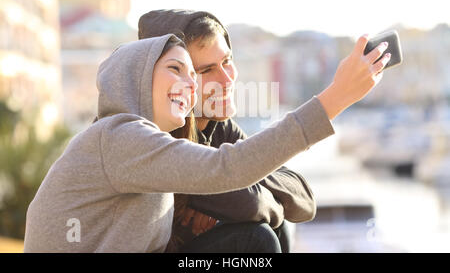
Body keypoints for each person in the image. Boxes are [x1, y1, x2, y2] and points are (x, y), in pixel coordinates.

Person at [24, 28, 390, 252]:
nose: (189, 84)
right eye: (174, 69)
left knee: (259, 238)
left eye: (192, 76)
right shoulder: (117, 135)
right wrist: (337, 97)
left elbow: (290, 196)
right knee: (256, 242)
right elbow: (227, 168)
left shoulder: (149, 150)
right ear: (134, 78)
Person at [137, 9, 390, 253]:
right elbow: (252, 204)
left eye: (227, 61)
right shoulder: (155, 137)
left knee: (270, 226)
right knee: (257, 236)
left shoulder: (218, 128)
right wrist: (259, 195)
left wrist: (248, 181)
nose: (227, 79)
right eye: (206, 70)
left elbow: (304, 200)